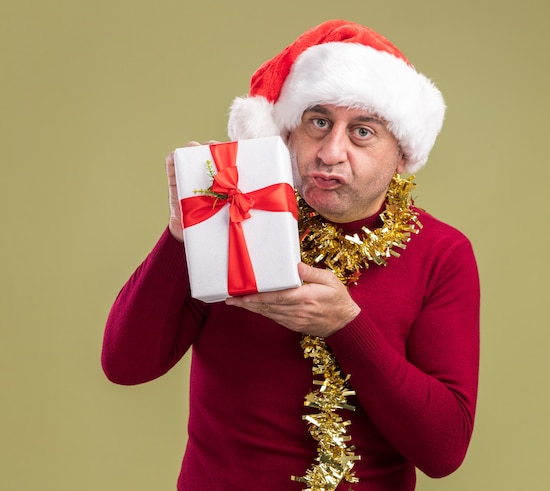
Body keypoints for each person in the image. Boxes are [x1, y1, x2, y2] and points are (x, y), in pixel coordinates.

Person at [102, 19, 480, 491]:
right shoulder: (237, 215)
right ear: (287, 135)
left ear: (402, 155)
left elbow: (443, 450)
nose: (331, 152)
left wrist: (347, 325)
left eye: (362, 131)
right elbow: (126, 365)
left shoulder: (441, 253)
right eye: (318, 123)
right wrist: (181, 236)